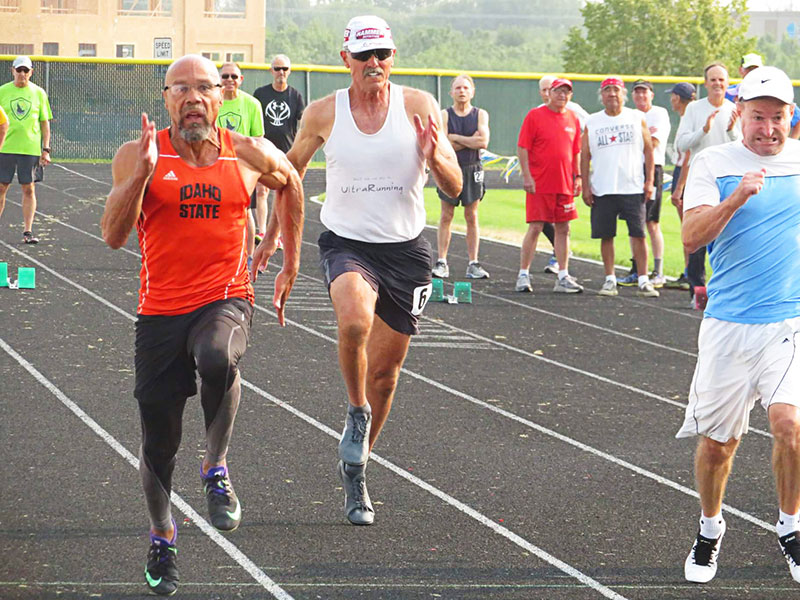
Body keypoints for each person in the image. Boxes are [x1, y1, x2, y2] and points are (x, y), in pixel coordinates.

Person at [100, 54, 304, 596]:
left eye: (204, 88)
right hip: (160, 312)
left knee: (218, 356)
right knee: (158, 444)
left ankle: (215, 466)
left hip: (225, 298)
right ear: (165, 98)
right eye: (180, 89)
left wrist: (283, 254)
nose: (193, 98)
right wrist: (140, 177)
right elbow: (114, 236)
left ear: (223, 97)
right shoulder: (137, 155)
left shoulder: (249, 153)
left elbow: (292, 184)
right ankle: (163, 535)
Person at [282, 15, 461, 526]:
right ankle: (355, 410)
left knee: (386, 375)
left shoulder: (419, 107)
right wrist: (270, 223)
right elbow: (289, 170)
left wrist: (434, 156)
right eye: (363, 56)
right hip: (347, 244)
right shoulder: (323, 113)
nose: (373, 64)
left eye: (381, 54)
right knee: (355, 321)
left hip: (407, 253)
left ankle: (357, 468)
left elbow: (451, 185)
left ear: (392, 57)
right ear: (346, 60)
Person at [677, 66, 800, 585]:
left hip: (787, 321)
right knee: (716, 445)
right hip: (728, 324)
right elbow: (688, 237)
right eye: (757, 117)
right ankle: (710, 529)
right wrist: (735, 199)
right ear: (739, 115)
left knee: (790, 428)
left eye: (777, 117)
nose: (767, 128)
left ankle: (790, 528)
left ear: (789, 117)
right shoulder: (715, 162)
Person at [581, 77, 658, 298]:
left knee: (639, 233)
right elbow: (584, 156)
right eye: (607, 90)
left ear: (623, 94)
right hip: (603, 187)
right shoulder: (593, 121)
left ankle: (643, 279)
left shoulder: (636, 117)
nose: (612, 94)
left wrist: (649, 180)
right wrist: (586, 185)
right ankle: (609, 279)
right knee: (606, 235)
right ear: (601, 95)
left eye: (616, 90)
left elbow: (649, 150)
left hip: (632, 186)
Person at [675, 63, 741, 305]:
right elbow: (682, 144)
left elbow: (742, 145)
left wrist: (733, 131)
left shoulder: (735, 109)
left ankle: (726, 288)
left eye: (721, 80)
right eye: (712, 80)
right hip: (701, 179)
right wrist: (703, 131)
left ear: (727, 83)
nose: (717, 84)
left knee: (728, 235)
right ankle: (697, 289)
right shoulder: (694, 109)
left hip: (728, 180)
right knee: (698, 235)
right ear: (705, 84)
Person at [515, 77, 582, 294]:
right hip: (540, 182)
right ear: (549, 94)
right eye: (558, 91)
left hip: (564, 184)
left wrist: (578, 177)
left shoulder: (573, 118)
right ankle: (523, 274)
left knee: (564, 228)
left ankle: (563, 274)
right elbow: (523, 148)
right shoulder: (535, 116)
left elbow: (575, 151)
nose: (562, 95)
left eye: (566, 92)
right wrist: (527, 176)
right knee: (536, 226)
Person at [431, 74, 490, 280]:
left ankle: (473, 262)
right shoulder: (444, 115)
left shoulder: (480, 114)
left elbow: (483, 141)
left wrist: (454, 139)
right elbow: (442, 144)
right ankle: (442, 261)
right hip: (449, 166)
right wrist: (467, 140)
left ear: (472, 91)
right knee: (446, 214)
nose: (462, 91)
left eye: (465, 88)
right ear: (451, 92)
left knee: (471, 215)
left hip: (472, 168)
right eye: (458, 88)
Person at [617, 79, 671, 288]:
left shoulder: (659, 113)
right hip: (631, 169)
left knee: (651, 222)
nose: (641, 96)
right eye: (637, 93)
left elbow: (653, 142)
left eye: (644, 93)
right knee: (634, 222)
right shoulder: (629, 115)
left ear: (651, 95)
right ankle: (637, 269)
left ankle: (658, 271)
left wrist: (632, 144)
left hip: (652, 168)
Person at [536, 74, 589, 274]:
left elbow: (591, 128)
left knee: (562, 220)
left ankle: (560, 258)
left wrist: (578, 166)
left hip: (566, 173)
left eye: (550, 88)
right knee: (539, 219)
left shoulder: (573, 111)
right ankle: (556, 251)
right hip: (543, 174)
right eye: (543, 90)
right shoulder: (538, 113)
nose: (547, 93)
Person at [253, 54, 305, 244]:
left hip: (287, 150)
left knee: (284, 194)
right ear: (271, 71)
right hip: (265, 148)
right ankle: (262, 231)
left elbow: (301, 123)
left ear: (289, 71)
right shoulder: (260, 94)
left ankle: (280, 234)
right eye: (277, 69)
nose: (281, 72)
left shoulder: (295, 95)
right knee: (261, 190)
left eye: (284, 69)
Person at [216, 62, 265, 264]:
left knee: (245, 211)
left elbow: (259, 137)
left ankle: (249, 255)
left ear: (241, 80)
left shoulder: (252, 104)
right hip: (216, 164)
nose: (229, 80)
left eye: (234, 77)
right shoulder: (213, 102)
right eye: (225, 76)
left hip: (242, 166)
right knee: (215, 211)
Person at [0, 56, 52, 244]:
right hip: (5, 148)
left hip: (29, 149)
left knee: (28, 188)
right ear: (12, 70)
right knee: (1, 187)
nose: (22, 74)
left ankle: (28, 232)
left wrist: (45, 149)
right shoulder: (2, 92)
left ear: (31, 72)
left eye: (25, 70)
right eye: (19, 70)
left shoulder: (39, 93)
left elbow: (45, 123)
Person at [663, 81, 696, 291]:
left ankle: (692, 273)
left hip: (685, 173)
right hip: (682, 171)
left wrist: (679, 187)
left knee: (690, 228)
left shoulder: (689, 120)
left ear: (677, 98)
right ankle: (688, 271)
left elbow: (688, 156)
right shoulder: (689, 117)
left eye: (672, 96)